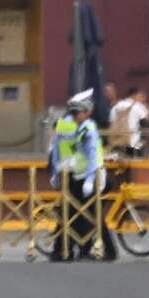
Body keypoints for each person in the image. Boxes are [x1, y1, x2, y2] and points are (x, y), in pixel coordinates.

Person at [49, 96, 114, 261]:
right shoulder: (65, 125)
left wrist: (91, 180)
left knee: (90, 214)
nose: (78, 114)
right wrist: (55, 172)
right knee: (70, 213)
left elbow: (94, 157)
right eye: (75, 112)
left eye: (80, 112)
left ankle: (75, 250)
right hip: (73, 175)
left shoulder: (89, 128)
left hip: (91, 175)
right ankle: (67, 250)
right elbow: (57, 149)